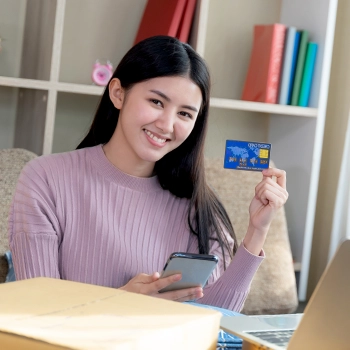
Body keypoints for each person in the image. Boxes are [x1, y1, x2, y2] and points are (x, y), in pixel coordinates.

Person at [8, 35, 288, 312]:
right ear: (118, 93)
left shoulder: (199, 208)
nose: (167, 125)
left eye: (185, 114)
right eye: (156, 102)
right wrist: (121, 304)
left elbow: (215, 321)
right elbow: (39, 313)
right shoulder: (45, 180)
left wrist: (257, 231)